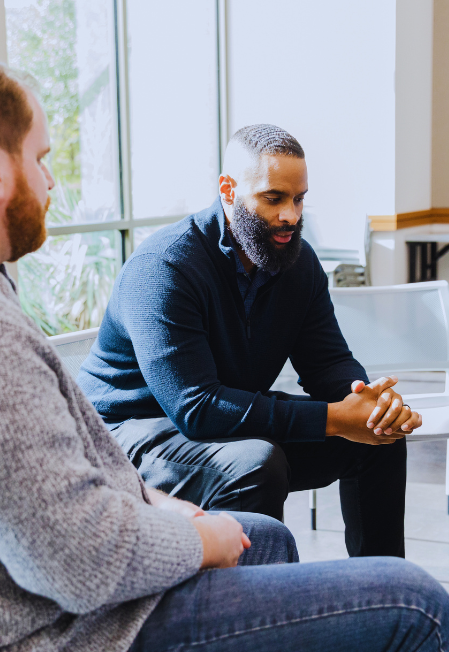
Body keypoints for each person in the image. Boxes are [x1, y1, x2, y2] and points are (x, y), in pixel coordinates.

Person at [0, 57, 449, 652]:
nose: (50, 178)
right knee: (419, 603)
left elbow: (55, 502)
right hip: (82, 627)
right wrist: (192, 536)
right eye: (40, 158)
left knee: (271, 536)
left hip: (58, 591)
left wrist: (156, 504)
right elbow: (78, 561)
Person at [77, 124, 422, 558]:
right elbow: (197, 408)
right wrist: (334, 418)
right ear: (228, 189)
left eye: (299, 199)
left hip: (220, 417)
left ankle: (382, 594)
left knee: (378, 438)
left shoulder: (295, 262)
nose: (291, 216)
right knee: (256, 465)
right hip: (130, 435)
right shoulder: (164, 267)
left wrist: (365, 400)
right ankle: (256, 613)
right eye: (273, 198)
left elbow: (328, 361)